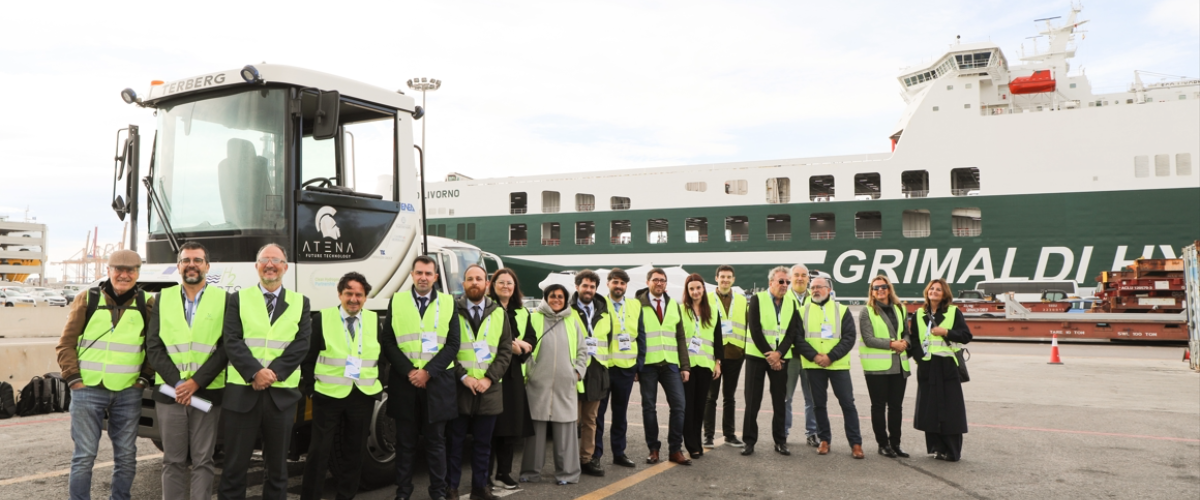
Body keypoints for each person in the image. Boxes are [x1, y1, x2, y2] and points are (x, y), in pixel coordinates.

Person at [57, 249, 154, 500]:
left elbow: (153, 347)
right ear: (108, 271)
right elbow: (66, 343)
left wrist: (143, 379)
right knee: (84, 456)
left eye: (130, 270)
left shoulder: (147, 303)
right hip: (87, 390)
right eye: (118, 269)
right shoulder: (87, 299)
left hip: (128, 392)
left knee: (126, 456)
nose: (124, 275)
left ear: (137, 273)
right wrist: (73, 379)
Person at [220, 243, 312, 500]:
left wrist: (273, 373)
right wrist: (255, 373)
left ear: (285, 267)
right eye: (264, 260)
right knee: (234, 468)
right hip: (242, 393)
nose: (270, 265)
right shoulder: (238, 299)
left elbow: (301, 344)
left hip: (280, 397)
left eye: (276, 260)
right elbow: (231, 340)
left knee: (278, 470)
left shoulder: (300, 302)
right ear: (256, 266)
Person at [146, 242, 227, 500]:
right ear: (178, 266)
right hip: (172, 393)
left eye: (197, 260)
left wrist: (196, 382)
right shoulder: (163, 298)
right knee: (173, 460)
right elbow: (153, 346)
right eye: (186, 260)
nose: (192, 265)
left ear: (207, 266)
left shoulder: (224, 299)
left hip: (207, 392)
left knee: (204, 460)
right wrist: (180, 383)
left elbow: (226, 348)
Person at [380, 255, 461, 500]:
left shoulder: (448, 302)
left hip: (437, 383)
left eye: (428, 273)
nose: (423, 277)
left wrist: (428, 372)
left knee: (436, 443)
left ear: (435, 277)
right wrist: (410, 371)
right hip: (405, 383)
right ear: (412, 275)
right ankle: (403, 492)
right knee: (405, 443)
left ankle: (438, 492)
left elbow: (453, 344)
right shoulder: (397, 301)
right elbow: (388, 341)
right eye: (419, 273)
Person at [299, 272, 383, 500]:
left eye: (359, 295)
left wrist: (376, 385)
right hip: (328, 395)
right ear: (340, 294)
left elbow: (381, 357)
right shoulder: (322, 318)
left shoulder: (374, 320)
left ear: (365, 297)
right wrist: (311, 390)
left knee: (355, 452)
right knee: (319, 451)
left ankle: (346, 496)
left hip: (362, 394)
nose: (354, 299)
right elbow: (308, 358)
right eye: (349, 294)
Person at [445, 265, 512, 500]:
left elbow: (505, 350)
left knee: (483, 444)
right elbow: (447, 349)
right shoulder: (451, 311)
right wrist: (463, 376)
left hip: (489, 389)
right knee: (454, 444)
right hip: (459, 387)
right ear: (463, 284)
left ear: (487, 284)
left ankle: (479, 488)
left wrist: (488, 378)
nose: (474, 282)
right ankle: (451, 488)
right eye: (470, 279)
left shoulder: (499, 313)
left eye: (479, 279)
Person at [520, 285, 588, 485]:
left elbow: (583, 351)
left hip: (565, 384)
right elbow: (525, 347)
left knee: (566, 431)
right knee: (535, 432)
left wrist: (577, 372)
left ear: (565, 300)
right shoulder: (534, 318)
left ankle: (567, 474)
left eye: (560, 296)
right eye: (552, 296)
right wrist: (530, 371)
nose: (556, 299)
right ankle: (530, 472)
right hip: (538, 383)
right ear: (546, 298)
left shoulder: (572, 321)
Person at [793, 276, 863, 459]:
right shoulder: (802, 311)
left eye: (819, 287)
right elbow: (797, 338)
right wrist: (815, 356)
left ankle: (856, 444)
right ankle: (824, 440)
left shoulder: (842, 310)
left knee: (847, 404)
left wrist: (831, 356)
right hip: (813, 365)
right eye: (813, 287)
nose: (815, 290)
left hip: (838, 365)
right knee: (818, 404)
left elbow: (849, 337)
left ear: (829, 290)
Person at [908, 278, 972, 462]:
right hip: (927, 367)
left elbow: (966, 336)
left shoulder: (953, 312)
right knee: (930, 410)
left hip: (947, 366)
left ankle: (952, 451)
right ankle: (936, 448)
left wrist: (946, 332)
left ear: (944, 294)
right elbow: (914, 340)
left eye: (938, 289)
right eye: (931, 289)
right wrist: (920, 360)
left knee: (950, 410)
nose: (934, 292)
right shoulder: (919, 314)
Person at [634, 268, 692, 466]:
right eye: (656, 280)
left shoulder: (673, 305)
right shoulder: (637, 305)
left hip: (670, 364)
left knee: (679, 406)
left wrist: (685, 366)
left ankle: (675, 449)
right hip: (647, 365)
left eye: (663, 280)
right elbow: (634, 335)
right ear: (648, 282)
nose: (659, 283)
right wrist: (635, 366)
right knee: (649, 408)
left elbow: (680, 337)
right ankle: (653, 449)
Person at [740, 266, 798, 456]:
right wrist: (770, 354)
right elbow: (755, 329)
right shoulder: (757, 299)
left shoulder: (791, 303)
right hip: (757, 357)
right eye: (781, 281)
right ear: (771, 282)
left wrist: (779, 354)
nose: (785, 285)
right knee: (752, 401)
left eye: (787, 282)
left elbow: (791, 332)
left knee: (780, 402)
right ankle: (749, 441)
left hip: (780, 359)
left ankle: (780, 441)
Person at [592, 268, 645, 468]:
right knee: (598, 414)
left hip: (626, 368)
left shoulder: (635, 305)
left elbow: (641, 336)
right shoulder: (599, 304)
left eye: (622, 283)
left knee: (620, 414)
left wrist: (638, 365)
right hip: (604, 367)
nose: (619, 286)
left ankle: (619, 453)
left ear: (626, 286)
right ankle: (595, 454)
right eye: (615, 282)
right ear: (608, 284)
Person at [487, 268, 534, 490]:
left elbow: (532, 339)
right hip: (492, 373)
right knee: (489, 429)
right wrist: (515, 345)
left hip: (514, 376)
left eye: (510, 283)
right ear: (493, 285)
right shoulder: (487, 308)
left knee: (510, 429)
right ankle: (485, 474)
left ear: (515, 287)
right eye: (501, 282)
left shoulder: (522, 312)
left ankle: (503, 472)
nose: (506, 286)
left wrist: (522, 348)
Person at [858, 275, 912, 459]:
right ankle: (883, 444)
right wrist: (891, 344)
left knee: (896, 407)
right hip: (877, 367)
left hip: (899, 365)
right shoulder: (866, 311)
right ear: (871, 292)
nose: (880, 290)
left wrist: (905, 342)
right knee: (879, 406)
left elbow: (906, 332)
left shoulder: (900, 308)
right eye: (876, 288)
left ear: (889, 289)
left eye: (883, 287)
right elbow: (868, 339)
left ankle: (895, 443)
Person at [571, 270, 611, 477]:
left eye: (592, 287)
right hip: (574, 369)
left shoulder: (604, 311)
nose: (588, 290)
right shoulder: (568, 310)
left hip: (596, 369)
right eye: (585, 286)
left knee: (590, 420)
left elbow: (608, 340)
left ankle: (586, 459)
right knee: (571, 420)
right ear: (577, 286)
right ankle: (568, 460)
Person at [702, 265, 747, 448]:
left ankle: (729, 434)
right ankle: (708, 435)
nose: (725, 280)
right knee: (710, 397)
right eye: (722, 277)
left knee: (729, 397)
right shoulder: (707, 299)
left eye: (729, 277)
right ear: (716, 278)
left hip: (736, 354)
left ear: (733, 280)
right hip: (714, 355)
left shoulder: (742, 300)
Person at [680, 274, 723, 459]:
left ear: (703, 289)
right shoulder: (680, 310)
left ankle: (696, 442)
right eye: (691, 289)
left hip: (705, 364)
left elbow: (718, 339)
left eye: (698, 288)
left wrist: (718, 363)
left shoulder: (712, 311)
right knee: (688, 406)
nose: (695, 291)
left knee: (700, 406)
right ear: (687, 291)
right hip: (687, 365)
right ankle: (691, 445)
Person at [783, 264, 819, 448]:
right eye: (796, 275)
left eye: (803, 275)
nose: (799, 278)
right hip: (790, 356)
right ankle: (783, 433)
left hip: (811, 356)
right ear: (790, 278)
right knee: (786, 398)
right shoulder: (783, 297)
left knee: (811, 398)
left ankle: (812, 433)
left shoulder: (816, 298)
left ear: (808, 279)